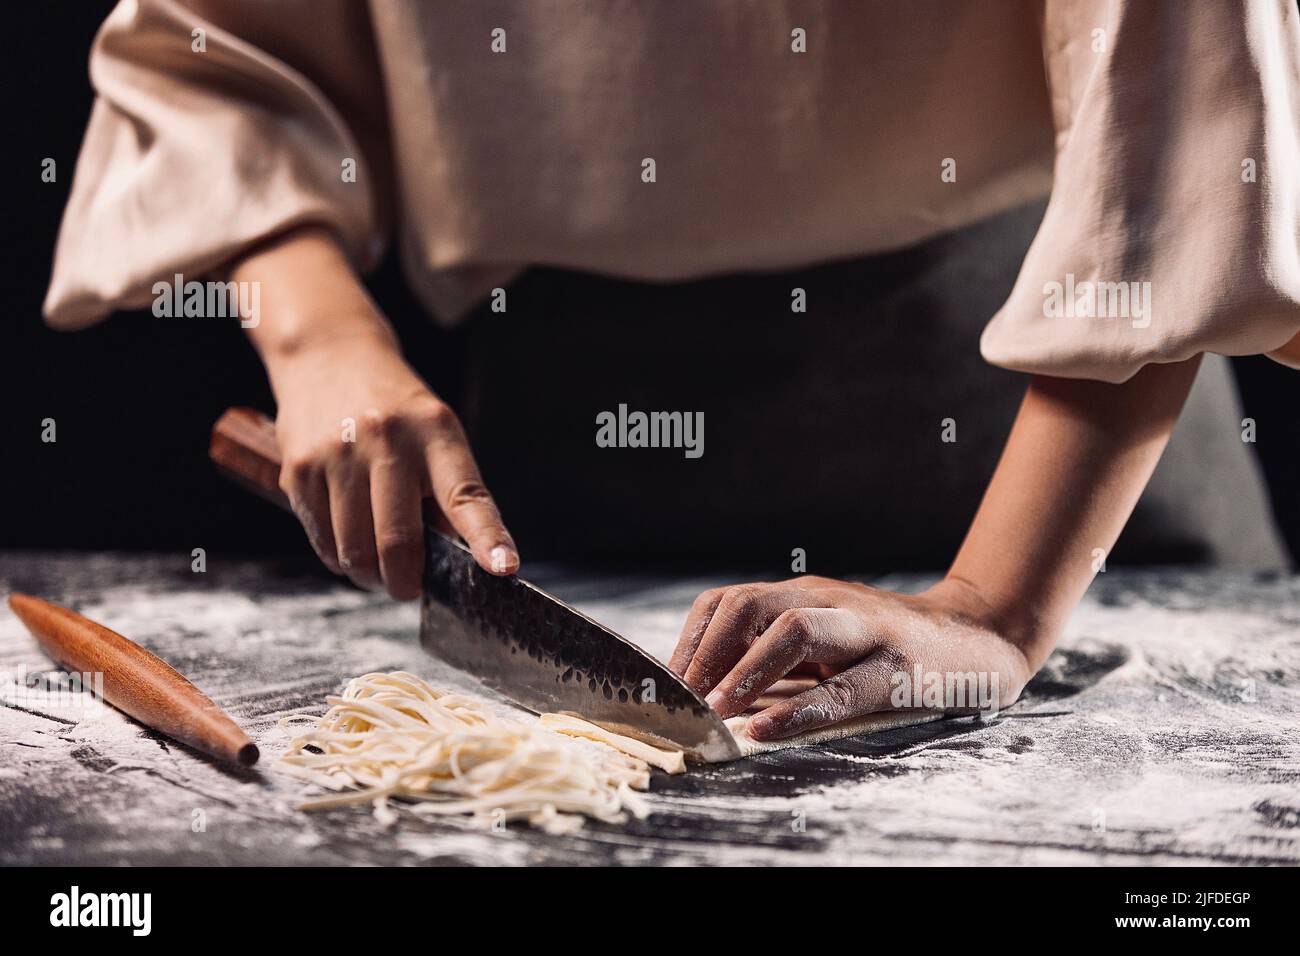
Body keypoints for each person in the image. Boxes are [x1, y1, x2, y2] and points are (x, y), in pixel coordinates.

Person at [45, 1, 1300, 743]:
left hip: (1065, 435)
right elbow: (214, 62)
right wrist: (319, 335)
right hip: (558, 467)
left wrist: (994, 608)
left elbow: (1186, 100)